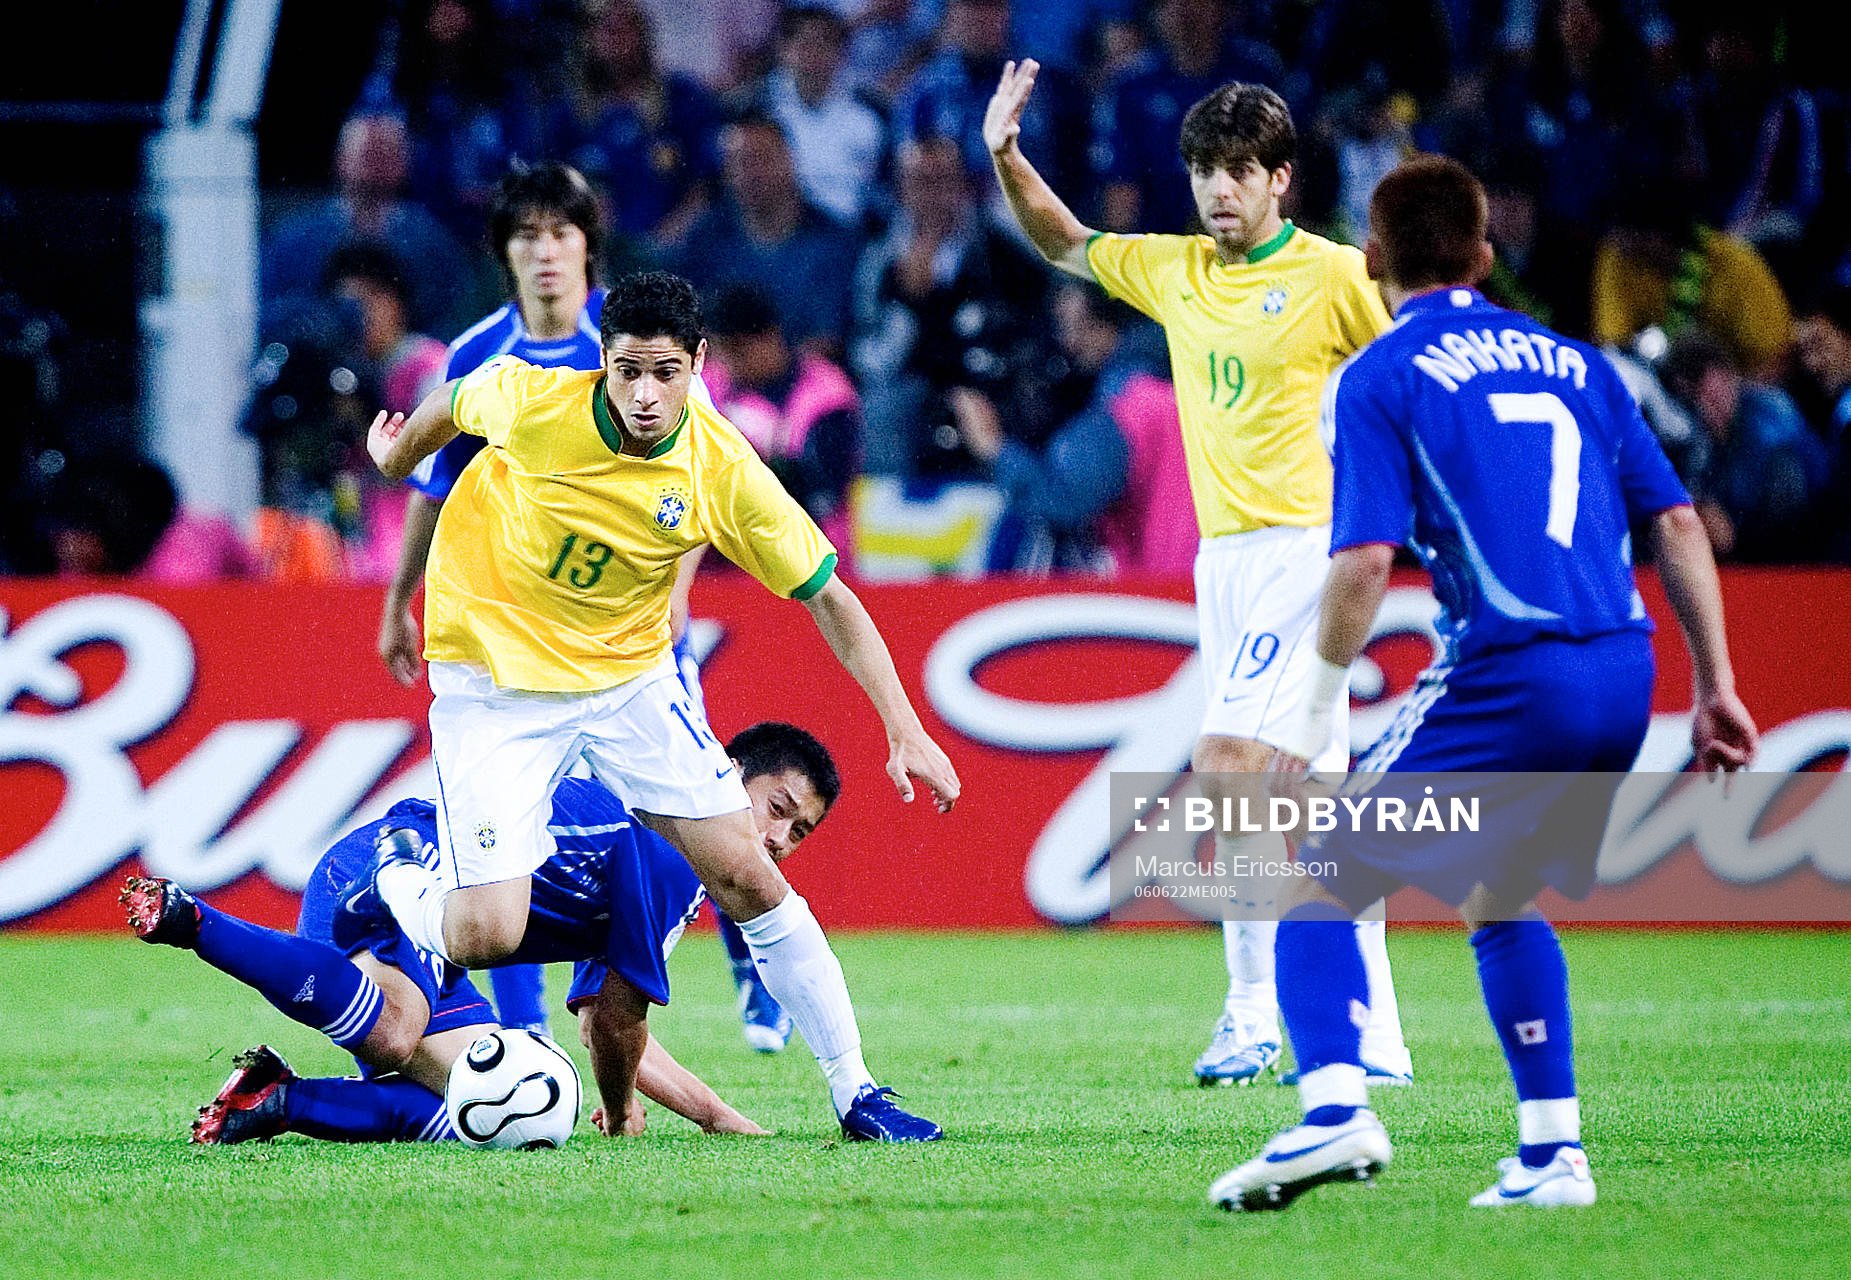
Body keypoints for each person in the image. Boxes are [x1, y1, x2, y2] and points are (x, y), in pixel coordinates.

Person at [1206, 156, 1758, 1212]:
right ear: (1487, 254)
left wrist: (1311, 714)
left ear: (1371, 257)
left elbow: (1364, 561)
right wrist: (1717, 684)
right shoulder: (1582, 363)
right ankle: (1553, 1153)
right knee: (1496, 889)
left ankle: (1332, 1113)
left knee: (1322, 859)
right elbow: (1678, 522)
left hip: (1515, 670)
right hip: (1625, 672)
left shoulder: (1382, 372)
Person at [358, 270, 959, 1135]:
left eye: (666, 373)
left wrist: (905, 729)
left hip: (628, 682)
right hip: (495, 679)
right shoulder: (533, 402)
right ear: (602, 362)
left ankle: (857, 1092)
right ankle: (405, 870)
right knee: (485, 935)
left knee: (749, 870)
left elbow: (830, 595)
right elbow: (452, 400)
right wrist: (395, 457)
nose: (646, 395)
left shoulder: (721, 468)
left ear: (699, 365)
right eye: (628, 371)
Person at [985, 65, 1410, 1085]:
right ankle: (1378, 1035)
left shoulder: (1333, 276)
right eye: (1204, 171)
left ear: (1280, 180)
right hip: (1225, 563)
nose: (1218, 190)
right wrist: (1005, 154)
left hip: (1308, 550)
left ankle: (1253, 1009)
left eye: (1238, 171)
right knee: (1313, 796)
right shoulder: (1176, 269)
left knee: (1226, 762)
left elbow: (1409, 367)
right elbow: (1065, 240)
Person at [121, 723, 936, 1143]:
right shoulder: (668, 849)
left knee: (482, 1112)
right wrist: (623, 1115)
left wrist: (715, 1115)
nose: (778, 842)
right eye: (776, 810)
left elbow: (601, 1019)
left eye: (800, 834)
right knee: (417, 1040)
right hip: (378, 878)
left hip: (434, 924)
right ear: (726, 778)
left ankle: (275, 1099)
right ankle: (197, 922)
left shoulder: (676, 859)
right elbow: (617, 1026)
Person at [377, 161, 613, 1039]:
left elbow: (696, 471)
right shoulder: (476, 355)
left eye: (560, 232)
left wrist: (670, 600)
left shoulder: (625, 344)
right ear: (505, 254)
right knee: (505, 831)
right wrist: (399, 597)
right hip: (505, 631)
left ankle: (730, 973)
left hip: (612, 627)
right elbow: (432, 488)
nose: (545, 251)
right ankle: (530, 1027)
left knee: (666, 825)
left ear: (588, 244)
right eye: (527, 235)